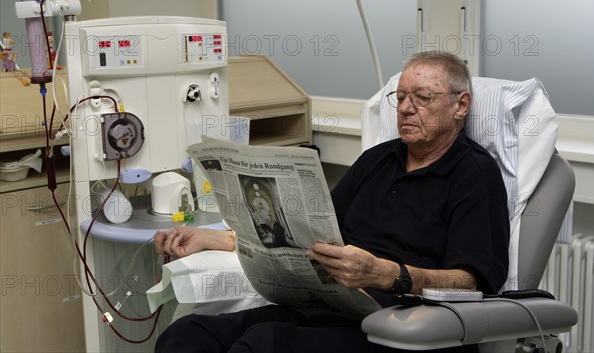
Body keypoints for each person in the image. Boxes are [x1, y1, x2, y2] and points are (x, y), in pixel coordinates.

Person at [153, 51, 510, 353]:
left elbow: (471, 283)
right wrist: (210, 238)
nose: (405, 108)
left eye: (422, 98)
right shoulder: (377, 160)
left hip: (403, 327)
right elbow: (308, 235)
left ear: (460, 105)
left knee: (263, 344)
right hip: (331, 306)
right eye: (400, 98)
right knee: (188, 334)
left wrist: (386, 274)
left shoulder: (474, 174)